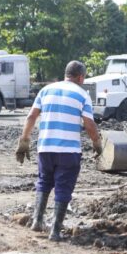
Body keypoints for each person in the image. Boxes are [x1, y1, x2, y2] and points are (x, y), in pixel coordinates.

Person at [15, 61, 103, 241]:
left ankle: (37, 221)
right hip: (68, 151)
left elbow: (31, 116)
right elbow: (89, 124)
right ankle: (55, 231)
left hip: (45, 148)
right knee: (63, 187)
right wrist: (97, 143)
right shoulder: (82, 95)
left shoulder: (46, 90)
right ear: (80, 77)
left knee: (44, 181)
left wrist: (24, 141)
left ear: (66, 74)